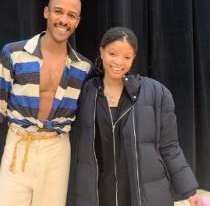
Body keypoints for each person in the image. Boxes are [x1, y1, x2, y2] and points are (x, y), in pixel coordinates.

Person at [0, 0, 92, 206]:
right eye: (58, 12)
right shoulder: (13, 54)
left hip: (57, 150)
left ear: (77, 21)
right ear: (46, 12)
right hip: (18, 146)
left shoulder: (83, 67)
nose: (63, 20)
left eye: (71, 15)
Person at [68, 27, 200, 206]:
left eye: (126, 57)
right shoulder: (84, 91)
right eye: (112, 53)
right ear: (102, 51)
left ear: (133, 58)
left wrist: (189, 191)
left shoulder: (157, 93)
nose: (118, 62)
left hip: (144, 193)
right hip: (98, 192)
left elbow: (170, 147)